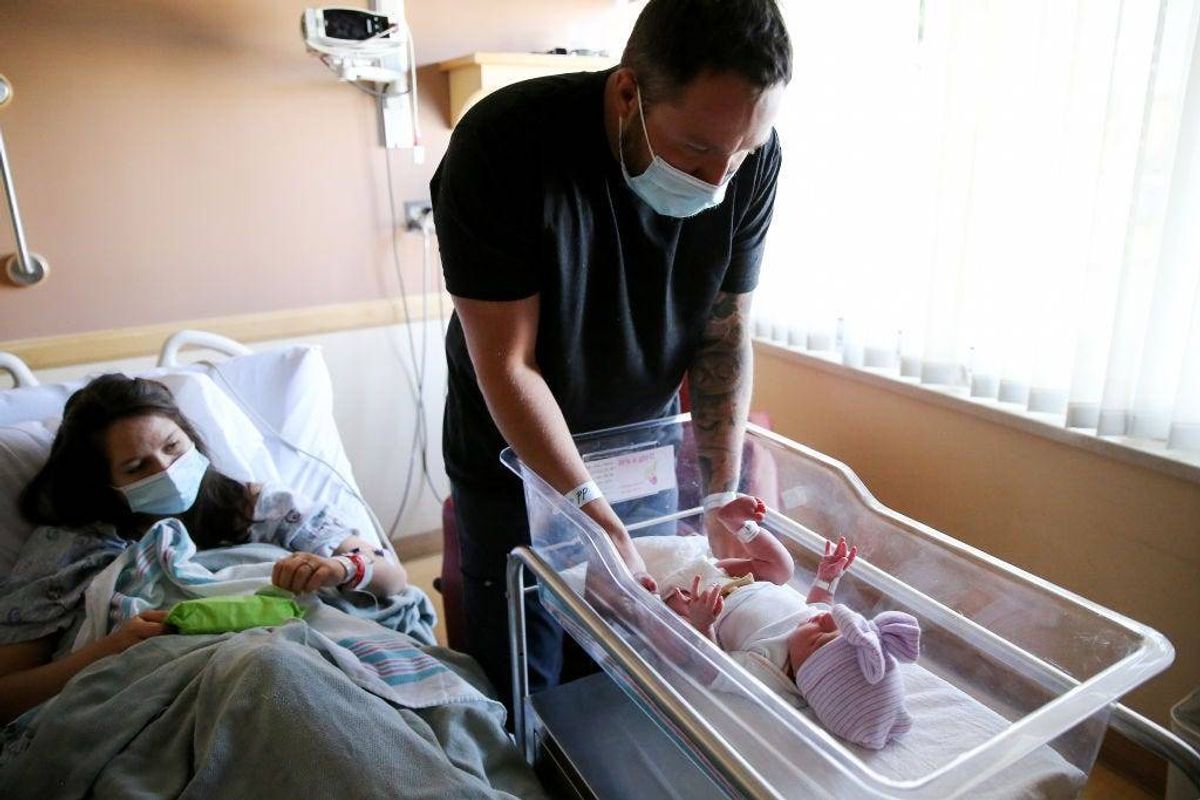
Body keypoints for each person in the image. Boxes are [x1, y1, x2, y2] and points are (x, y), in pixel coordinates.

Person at [430, 0, 793, 703]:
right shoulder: (505, 145)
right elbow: (509, 363)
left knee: (634, 659)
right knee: (525, 681)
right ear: (629, 93)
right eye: (695, 151)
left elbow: (725, 334)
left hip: (639, 446)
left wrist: (719, 491)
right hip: (517, 453)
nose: (722, 181)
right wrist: (590, 518)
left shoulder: (753, 154)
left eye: (742, 152)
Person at [0, 373, 408, 724]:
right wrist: (109, 651)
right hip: (189, 698)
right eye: (136, 467)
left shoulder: (259, 508)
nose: (166, 469)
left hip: (313, 665)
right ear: (103, 485)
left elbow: (392, 577)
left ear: (191, 438)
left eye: (173, 447)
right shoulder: (68, 552)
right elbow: (7, 694)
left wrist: (340, 568)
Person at [664, 496, 922, 750]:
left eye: (820, 636)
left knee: (676, 642)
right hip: (738, 577)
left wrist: (702, 624)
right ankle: (741, 525)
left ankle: (646, 595)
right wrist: (827, 579)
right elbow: (820, 604)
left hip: (699, 600)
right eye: (835, 625)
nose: (825, 618)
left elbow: (714, 669)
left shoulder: (772, 674)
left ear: (807, 675)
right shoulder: (813, 625)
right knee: (783, 569)